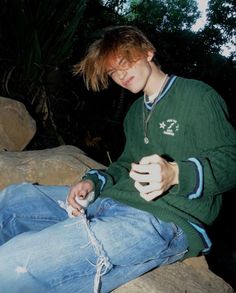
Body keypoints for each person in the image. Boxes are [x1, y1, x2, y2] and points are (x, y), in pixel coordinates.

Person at [0, 25, 235, 293]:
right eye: (112, 72)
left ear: (148, 52)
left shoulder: (197, 96)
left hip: (161, 220)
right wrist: (93, 182)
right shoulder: (135, 113)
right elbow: (126, 164)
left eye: (124, 63)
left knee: (15, 264)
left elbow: (231, 159)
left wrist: (176, 173)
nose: (120, 75)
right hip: (107, 202)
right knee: (14, 200)